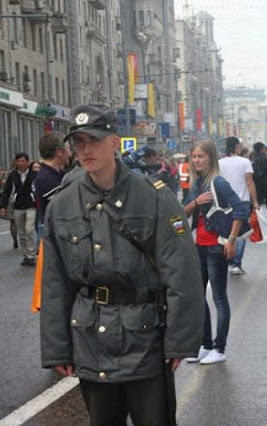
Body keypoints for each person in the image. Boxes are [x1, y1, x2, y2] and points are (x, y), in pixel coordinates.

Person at [40, 104, 204, 425]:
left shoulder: (154, 197)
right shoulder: (61, 205)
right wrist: (57, 348)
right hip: (91, 340)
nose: (86, 150)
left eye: (95, 140)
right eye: (79, 142)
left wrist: (179, 341)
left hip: (145, 340)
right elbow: (55, 283)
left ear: (115, 142)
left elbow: (182, 274)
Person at [182, 140, 248, 365]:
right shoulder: (196, 184)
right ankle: (205, 344)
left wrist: (231, 240)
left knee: (219, 297)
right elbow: (181, 213)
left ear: (211, 158)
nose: (197, 160)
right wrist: (196, 202)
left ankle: (220, 348)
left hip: (216, 246)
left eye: (201, 156)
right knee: (198, 296)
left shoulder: (218, 182)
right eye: (194, 157)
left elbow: (240, 209)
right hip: (199, 245)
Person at [219, 136, 259, 275]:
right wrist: (255, 202)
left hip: (225, 201)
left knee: (227, 231)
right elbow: (249, 183)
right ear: (237, 147)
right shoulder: (245, 162)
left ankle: (228, 261)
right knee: (240, 233)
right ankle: (236, 263)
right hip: (242, 201)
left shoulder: (219, 163)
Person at [0, 153, 38, 266]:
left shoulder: (34, 174)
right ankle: (25, 254)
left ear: (27, 162)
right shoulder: (12, 175)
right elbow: (6, 191)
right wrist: (3, 206)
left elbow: (38, 188)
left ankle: (31, 254)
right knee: (21, 232)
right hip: (18, 206)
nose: (21, 163)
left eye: (23, 161)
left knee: (30, 229)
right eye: (19, 161)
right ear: (16, 162)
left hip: (31, 204)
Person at [251, 142, 267, 220]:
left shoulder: (254, 159)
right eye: (264, 148)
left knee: (258, 201)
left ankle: (252, 217)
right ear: (261, 149)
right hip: (265, 182)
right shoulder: (265, 158)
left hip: (257, 183)